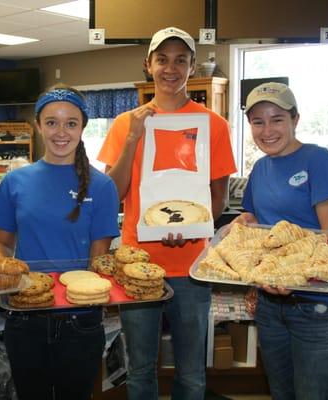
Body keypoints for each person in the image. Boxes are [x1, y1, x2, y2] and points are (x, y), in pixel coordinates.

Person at [97, 27, 237, 400]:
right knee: (140, 370)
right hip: (138, 263)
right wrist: (132, 139)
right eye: (162, 59)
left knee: (192, 373)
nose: (170, 68)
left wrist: (196, 226)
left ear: (192, 67)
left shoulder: (214, 125)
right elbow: (115, 193)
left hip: (192, 267)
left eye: (180, 60)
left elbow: (217, 197)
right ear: (148, 65)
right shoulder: (127, 122)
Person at [0, 85, 120, 400]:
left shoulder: (102, 186)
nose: (61, 132)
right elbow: (3, 246)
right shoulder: (14, 182)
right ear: (38, 125)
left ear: (83, 127)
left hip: (81, 320)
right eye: (51, 122)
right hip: (25, 316)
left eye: (71, 123)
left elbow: (98, 259)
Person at [235, 82, 328, 400]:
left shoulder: (320, 162)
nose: (267, 130)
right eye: (258, 121)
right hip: (272, 305)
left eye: (277, 119)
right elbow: (260, 228)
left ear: (295, 120)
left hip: (320, 306)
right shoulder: (259, 169)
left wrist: (290, 276)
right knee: (281, 393)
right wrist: (245, 223)